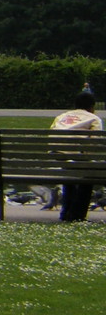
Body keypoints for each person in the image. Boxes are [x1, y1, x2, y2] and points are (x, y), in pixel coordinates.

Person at [50, 91, 100, 222]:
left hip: (60, 159)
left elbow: (51, 137)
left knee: (70, 174)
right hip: (78, 157)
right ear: (92, 107)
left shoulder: (61, 117)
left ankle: (66, 212)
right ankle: (78, 215)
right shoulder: (93, 118)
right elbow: (95, 144)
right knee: (89, 175)